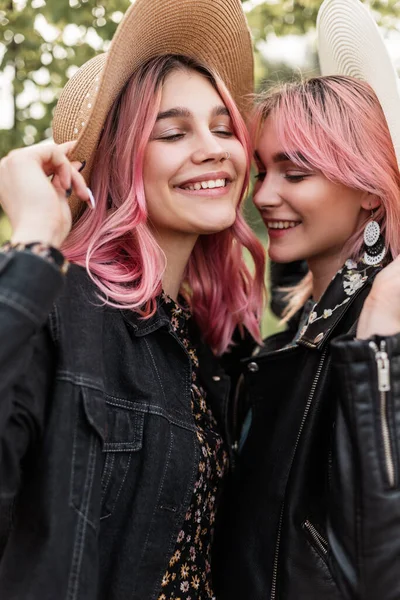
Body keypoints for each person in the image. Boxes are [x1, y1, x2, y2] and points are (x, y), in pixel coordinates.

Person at [0, 1, 266, 598]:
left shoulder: (208, 342)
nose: (214, 148)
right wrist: (33, 242)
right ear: (121, 160)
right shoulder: (63, 310)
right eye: (174, 132)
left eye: (224, 128)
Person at [215, 1, 400, 599]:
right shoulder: (289, 340)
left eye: (296, 175)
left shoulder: (380, 336)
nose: (264, 195)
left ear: (370, 192)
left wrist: (379, 345)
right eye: (264, 171)